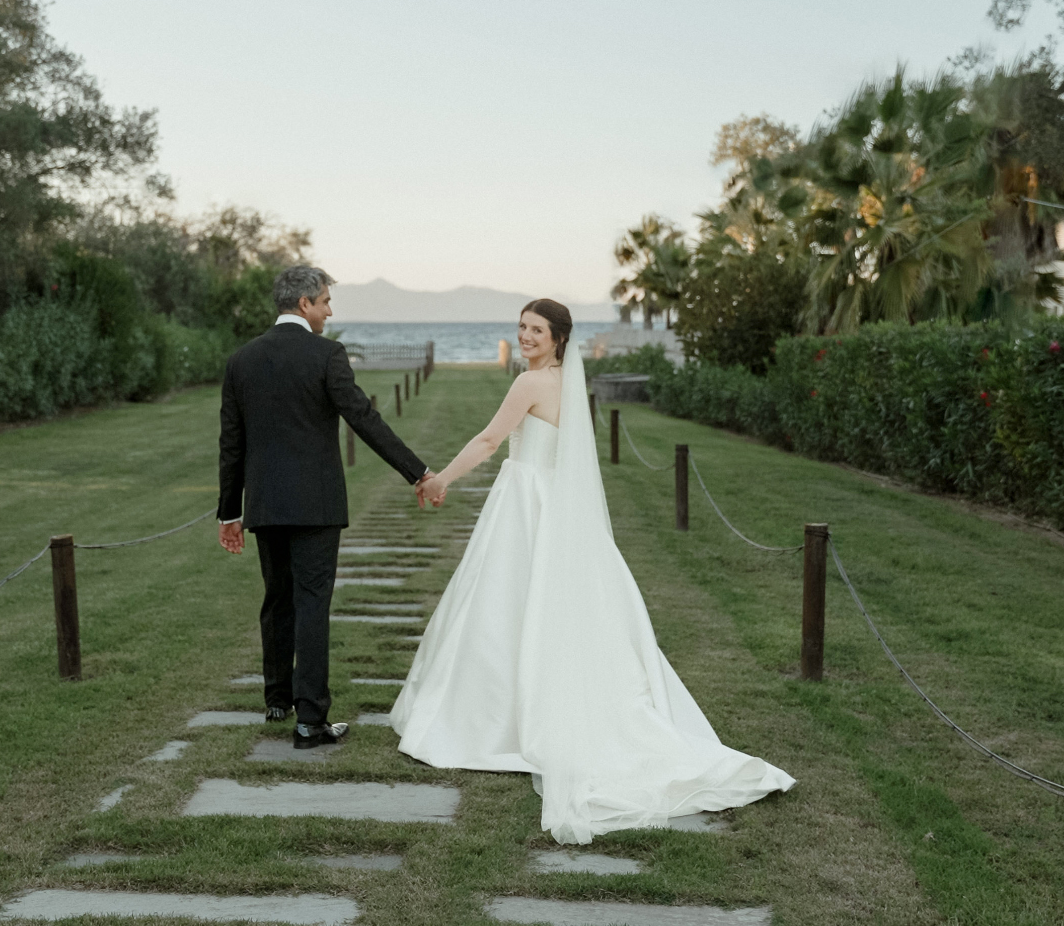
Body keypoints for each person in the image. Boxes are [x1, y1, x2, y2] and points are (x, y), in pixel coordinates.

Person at [390, 299, 795, 842]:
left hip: (526, 501)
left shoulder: (529, 384)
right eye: (522, 328)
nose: (526, 336)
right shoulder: (565, 383)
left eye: (537, 330)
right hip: (555, 503)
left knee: (504, 602)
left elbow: (490, 442)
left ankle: (495, 717)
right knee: (541, 606)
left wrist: (440, 481)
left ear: (559, 338)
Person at [217, 265, 441, 749]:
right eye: (325, 302)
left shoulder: (242, 360)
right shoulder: (326, 355)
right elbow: (363, 418)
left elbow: (230, 444)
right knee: (311, 604)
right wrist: (417, 472)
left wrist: (228, 513)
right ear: (304, 304)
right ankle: (310, 721)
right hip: (315, 505)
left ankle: (278, 698)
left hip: (264, 505)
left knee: (277, 598)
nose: (329, 310)